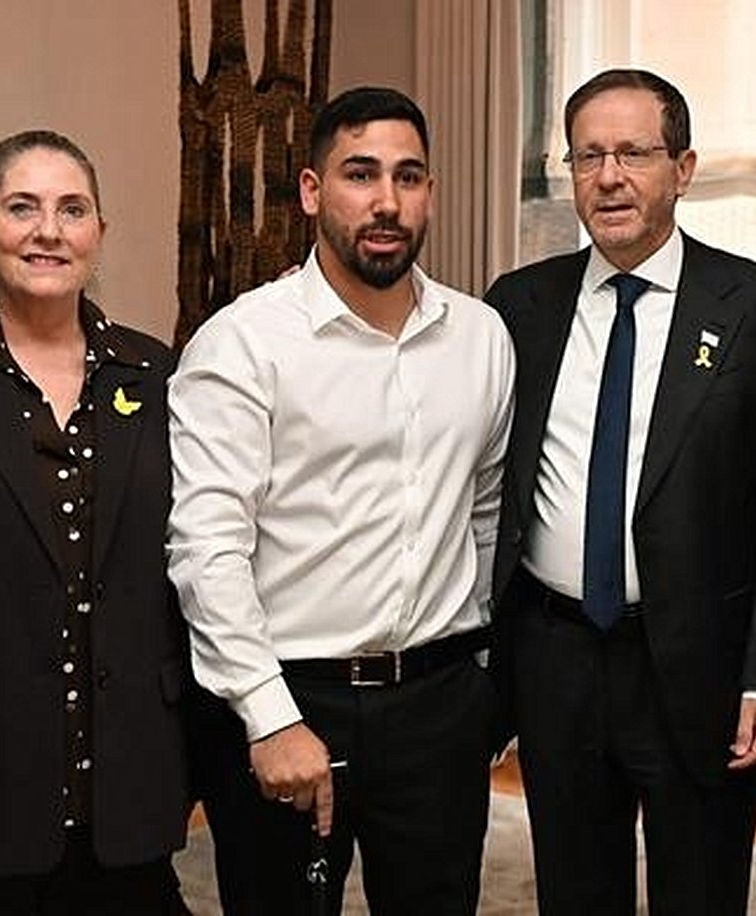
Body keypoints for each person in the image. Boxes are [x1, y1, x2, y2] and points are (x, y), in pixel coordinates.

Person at [167, 86, 515, 915]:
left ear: (430, 192)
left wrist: (479, 684)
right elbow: (208, 548)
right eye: (360, 175)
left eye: (408, 176)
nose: (387, 201)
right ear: (312, 191)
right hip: (291, 697)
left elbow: (486, 509)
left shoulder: (480, 337)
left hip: (438, 705)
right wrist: (267, 714)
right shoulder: (241, 344)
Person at [484, 69, 756, 915]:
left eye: (633, 153)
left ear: (683, 169)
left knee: (700, 890)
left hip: (697, 664)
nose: (609, 177)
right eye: (588, 156)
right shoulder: (520, 306)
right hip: (555, 660)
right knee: (573, 889)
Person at [0, 130, 190, 914]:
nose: (49, 230)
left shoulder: (158, 375)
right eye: (22, 208)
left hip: (133, 793)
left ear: (99, 231)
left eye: (72, 209)